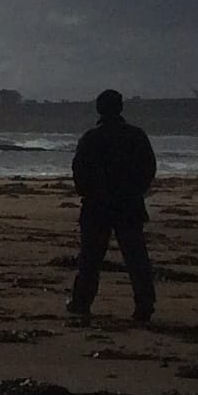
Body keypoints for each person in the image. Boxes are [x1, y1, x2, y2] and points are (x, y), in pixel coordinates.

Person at [67, 87, 157, 325]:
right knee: (136, 258)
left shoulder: (92, 138)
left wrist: (86, 192)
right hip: (129, 204)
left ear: (99, 109)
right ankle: (145, 304)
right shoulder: (136, 136)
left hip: (98, 205)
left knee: (90, 259)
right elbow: (149, 168)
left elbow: (79, 170)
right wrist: (137, 191)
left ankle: (81, 302)